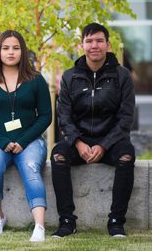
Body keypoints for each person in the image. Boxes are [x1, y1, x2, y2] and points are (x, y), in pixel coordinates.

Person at [50, 23, 135, 238]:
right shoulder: (70, 76)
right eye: (89, 41)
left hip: (111, 140)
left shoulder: (122, 76)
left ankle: (116, 221)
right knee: (58, 154)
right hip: (79, 140)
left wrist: (104, 145)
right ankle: (67, 221)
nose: (94, 45)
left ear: (108, 44)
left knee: (126, 155)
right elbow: (64, 117)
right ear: (82, 46)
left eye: (99, 40)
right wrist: (78, 143)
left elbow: (125, 119)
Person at [0, 30, 52, 242]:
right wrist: (3, 142)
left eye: (16, 48)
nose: (11, 52)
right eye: (6, 48)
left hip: (30, 141)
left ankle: (39, 226)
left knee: (32, 168)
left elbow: (45, 116)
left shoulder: (36, 80)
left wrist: (23, 141)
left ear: (23, 51)